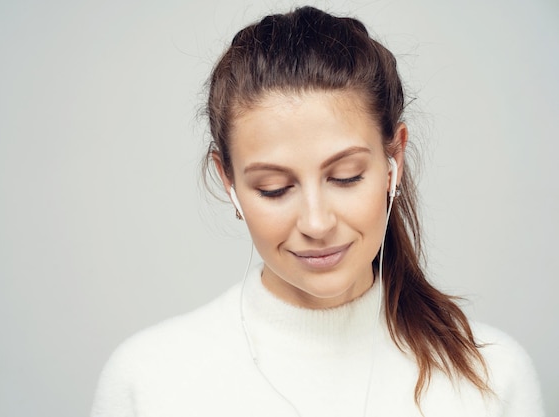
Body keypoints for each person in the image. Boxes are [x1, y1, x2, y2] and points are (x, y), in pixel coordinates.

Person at [90, 6, 544, 417]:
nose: (316, 223)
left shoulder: (491, 375)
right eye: (274, 188)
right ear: (228, 182)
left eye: (345, 177)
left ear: (394, 161)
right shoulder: (148, 381)